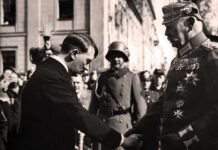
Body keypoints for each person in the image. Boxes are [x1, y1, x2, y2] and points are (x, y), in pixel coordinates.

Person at [16, 33, 142, 150]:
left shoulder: (53, 71)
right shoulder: (51, 76)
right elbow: (78, 114)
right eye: (87, 61)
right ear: (74, 54)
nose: (87, 68)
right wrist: (122, 140)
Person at [125, 1, 218, 150]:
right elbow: (164, 101)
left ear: (189, 23)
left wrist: (186, 137)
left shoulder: (211, 55)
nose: (166, 34)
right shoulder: (178, 59)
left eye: (170, 27)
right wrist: (139, 129)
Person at [89, 41, 147, 150]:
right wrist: (90, 128)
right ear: (109, 58)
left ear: (124, 58)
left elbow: (141, 108)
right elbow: (94, 105)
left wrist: (139, 131)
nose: (116, 59)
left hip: (122, 128)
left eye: (119, 56)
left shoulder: (132, 77)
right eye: (113, 56)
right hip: (103, 125)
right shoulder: (102, 77)